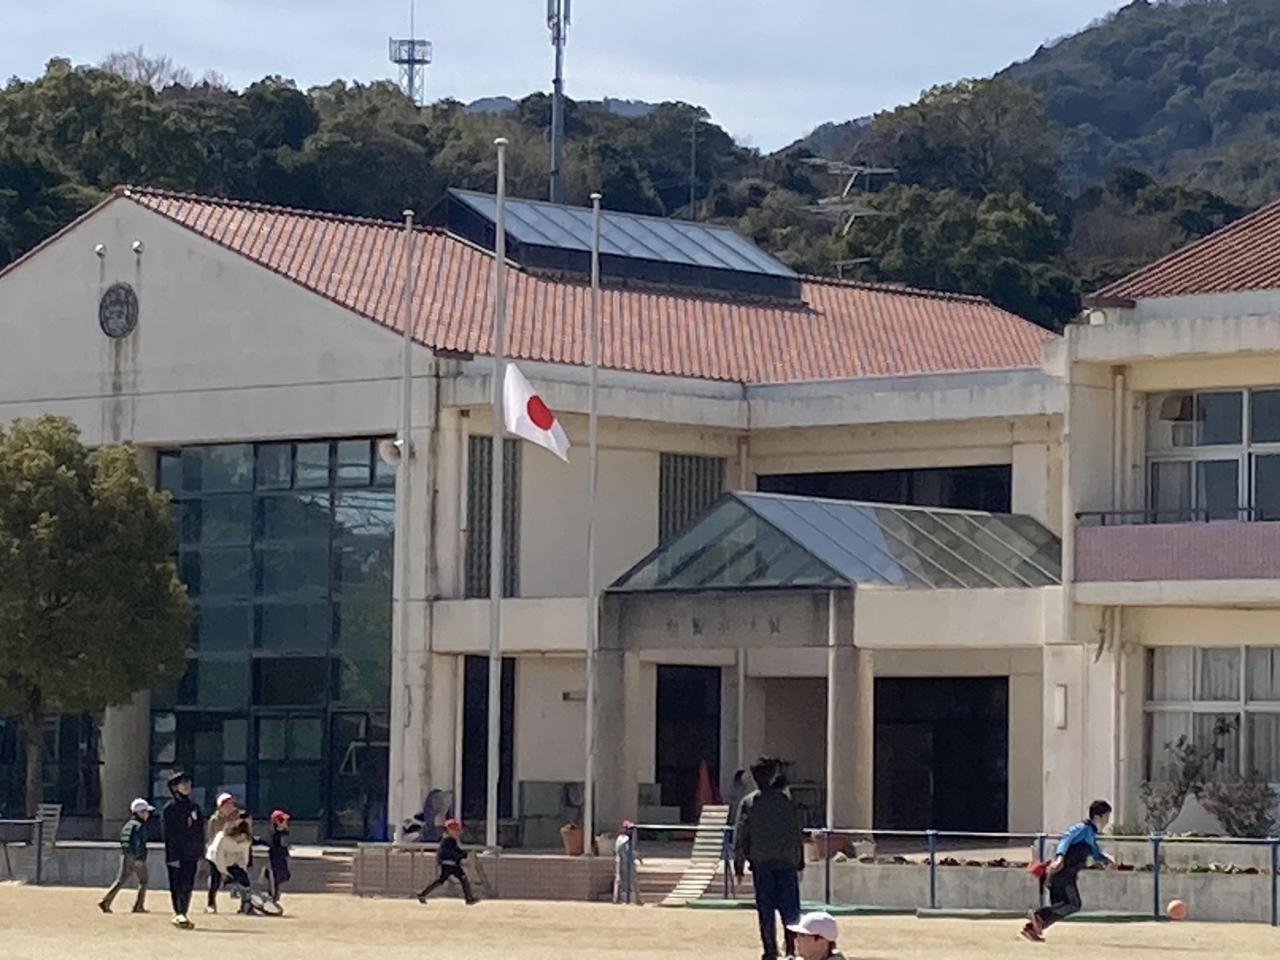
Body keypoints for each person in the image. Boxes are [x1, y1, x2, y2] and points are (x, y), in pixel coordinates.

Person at [734, 758, 805, 960]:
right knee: (790, 910)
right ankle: (791, 949)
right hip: (786, 863)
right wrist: (800, 862)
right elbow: (796, 833)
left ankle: (770, 950)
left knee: (766, 911)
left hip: (761, 864)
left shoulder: (749, 803)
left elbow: (741, 836)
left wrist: (739, 864)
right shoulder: (786, 802)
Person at [1022, 799, 1115, 943]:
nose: (1107, 821)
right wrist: (1059, 858)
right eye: (1106, 817)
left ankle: (1032, 929)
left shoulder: (1090, 833)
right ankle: (1038, 916)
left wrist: (1107, 859)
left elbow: (1095, 853)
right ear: (1098, 816)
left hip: (1065, 875)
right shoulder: (1082, 829)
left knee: (1062, 906)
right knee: (1073, 904)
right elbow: (1065, 840)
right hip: (1063, 874)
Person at [162, 772, 205, 929]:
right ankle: (178, 912)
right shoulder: (170, 809)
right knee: (176, 884)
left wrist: (200, 851)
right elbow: (168, 834)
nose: (187, 786)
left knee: (188, 883)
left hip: (191, 853)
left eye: (188, 783)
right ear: (174, 787)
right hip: (176, 853)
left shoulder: (194, 807)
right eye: (183, 784)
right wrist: (172, 856)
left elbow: (199, 831)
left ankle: (184, 912)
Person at [98, 797, 154, 914]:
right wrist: (140, 858)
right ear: (139, 812)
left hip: (125, 855)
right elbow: (139, 843)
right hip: (136, 856)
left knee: (121, 880)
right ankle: (138, 905)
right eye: (145, 811)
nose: (147, 814)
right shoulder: (140, 826)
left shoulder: (128, 825)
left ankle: (106, 900)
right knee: (144, 880)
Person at [415, 818, 478, 905]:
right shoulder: (448, 841)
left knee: (442, 880)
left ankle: (423, 894)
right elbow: (452, 852)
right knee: (462, 878)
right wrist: (462, 855)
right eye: (455, 830)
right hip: (449, 864)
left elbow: (455, 851)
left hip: (450, 864)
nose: (457, 833)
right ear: (449, 830)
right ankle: (469, 898)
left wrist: (462, 854)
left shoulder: (449, 840)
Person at [207, 816, 256, 914]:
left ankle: (245, 905)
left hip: (233, 860)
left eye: (244, 836)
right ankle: (211, 904)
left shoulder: (247, 841)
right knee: (215, 881)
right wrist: (224, 873)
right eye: (240, 836)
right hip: (215, 859)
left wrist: (242, 871)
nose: (241, 839)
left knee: (244, 880)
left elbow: (244, 857)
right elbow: (218, 857)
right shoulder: (222, 838)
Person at [204, 791, 239, 914]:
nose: (230, 806)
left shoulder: (237, 818)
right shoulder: (214, 820)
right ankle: (211, 903)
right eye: (227, 804)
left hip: (231, 852)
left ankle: (245, 905)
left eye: (232, 804)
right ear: (220, 806)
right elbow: (211, 837)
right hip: (216, 853)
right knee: (215, 879)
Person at [263, 809, 292, 905]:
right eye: (283, 821)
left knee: (283, 876)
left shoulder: (284, 834)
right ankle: (272, 898)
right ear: (278, 822)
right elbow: (273, 846)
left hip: (282, 860)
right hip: (274, 861)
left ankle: (274, 896)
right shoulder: (274, 835)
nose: (286, 823)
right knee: (274, 879)